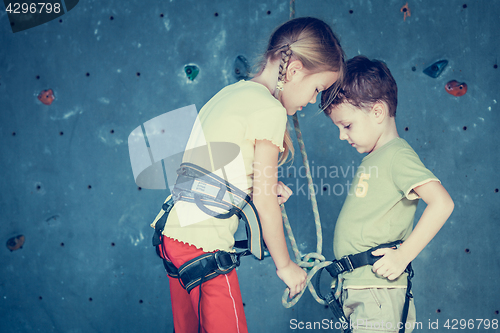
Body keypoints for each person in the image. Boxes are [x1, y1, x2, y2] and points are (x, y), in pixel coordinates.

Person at [152, 17, 345, 333]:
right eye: (316, 89)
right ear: (294, 70)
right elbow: (264, 200)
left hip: (174, 234)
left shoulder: (231, 94)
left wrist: (260, 185)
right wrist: (286, 266)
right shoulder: (270, 110)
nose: (312, 101)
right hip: (203, 244)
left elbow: (216, 170)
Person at [323, 55, 454, 332]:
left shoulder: (396, 156)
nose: (341, 136)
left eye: (346, 125)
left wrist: (403, 255)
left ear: (378, 112)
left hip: (377, 290)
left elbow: (442, 203)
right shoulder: (376, 157)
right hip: (361, 286)